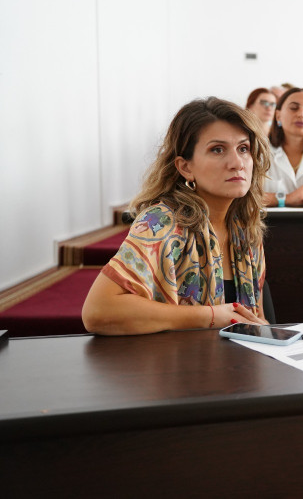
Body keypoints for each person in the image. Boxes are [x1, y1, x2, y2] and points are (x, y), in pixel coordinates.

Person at [82, 98, 271, 335]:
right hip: (174, 365)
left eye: (243, 149)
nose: (237, 163)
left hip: (239, 364)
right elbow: (98, 312)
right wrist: (210, 316)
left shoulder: (245, 230)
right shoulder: (161, 222)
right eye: (217, 149)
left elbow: (258, 318)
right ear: (185, 167)